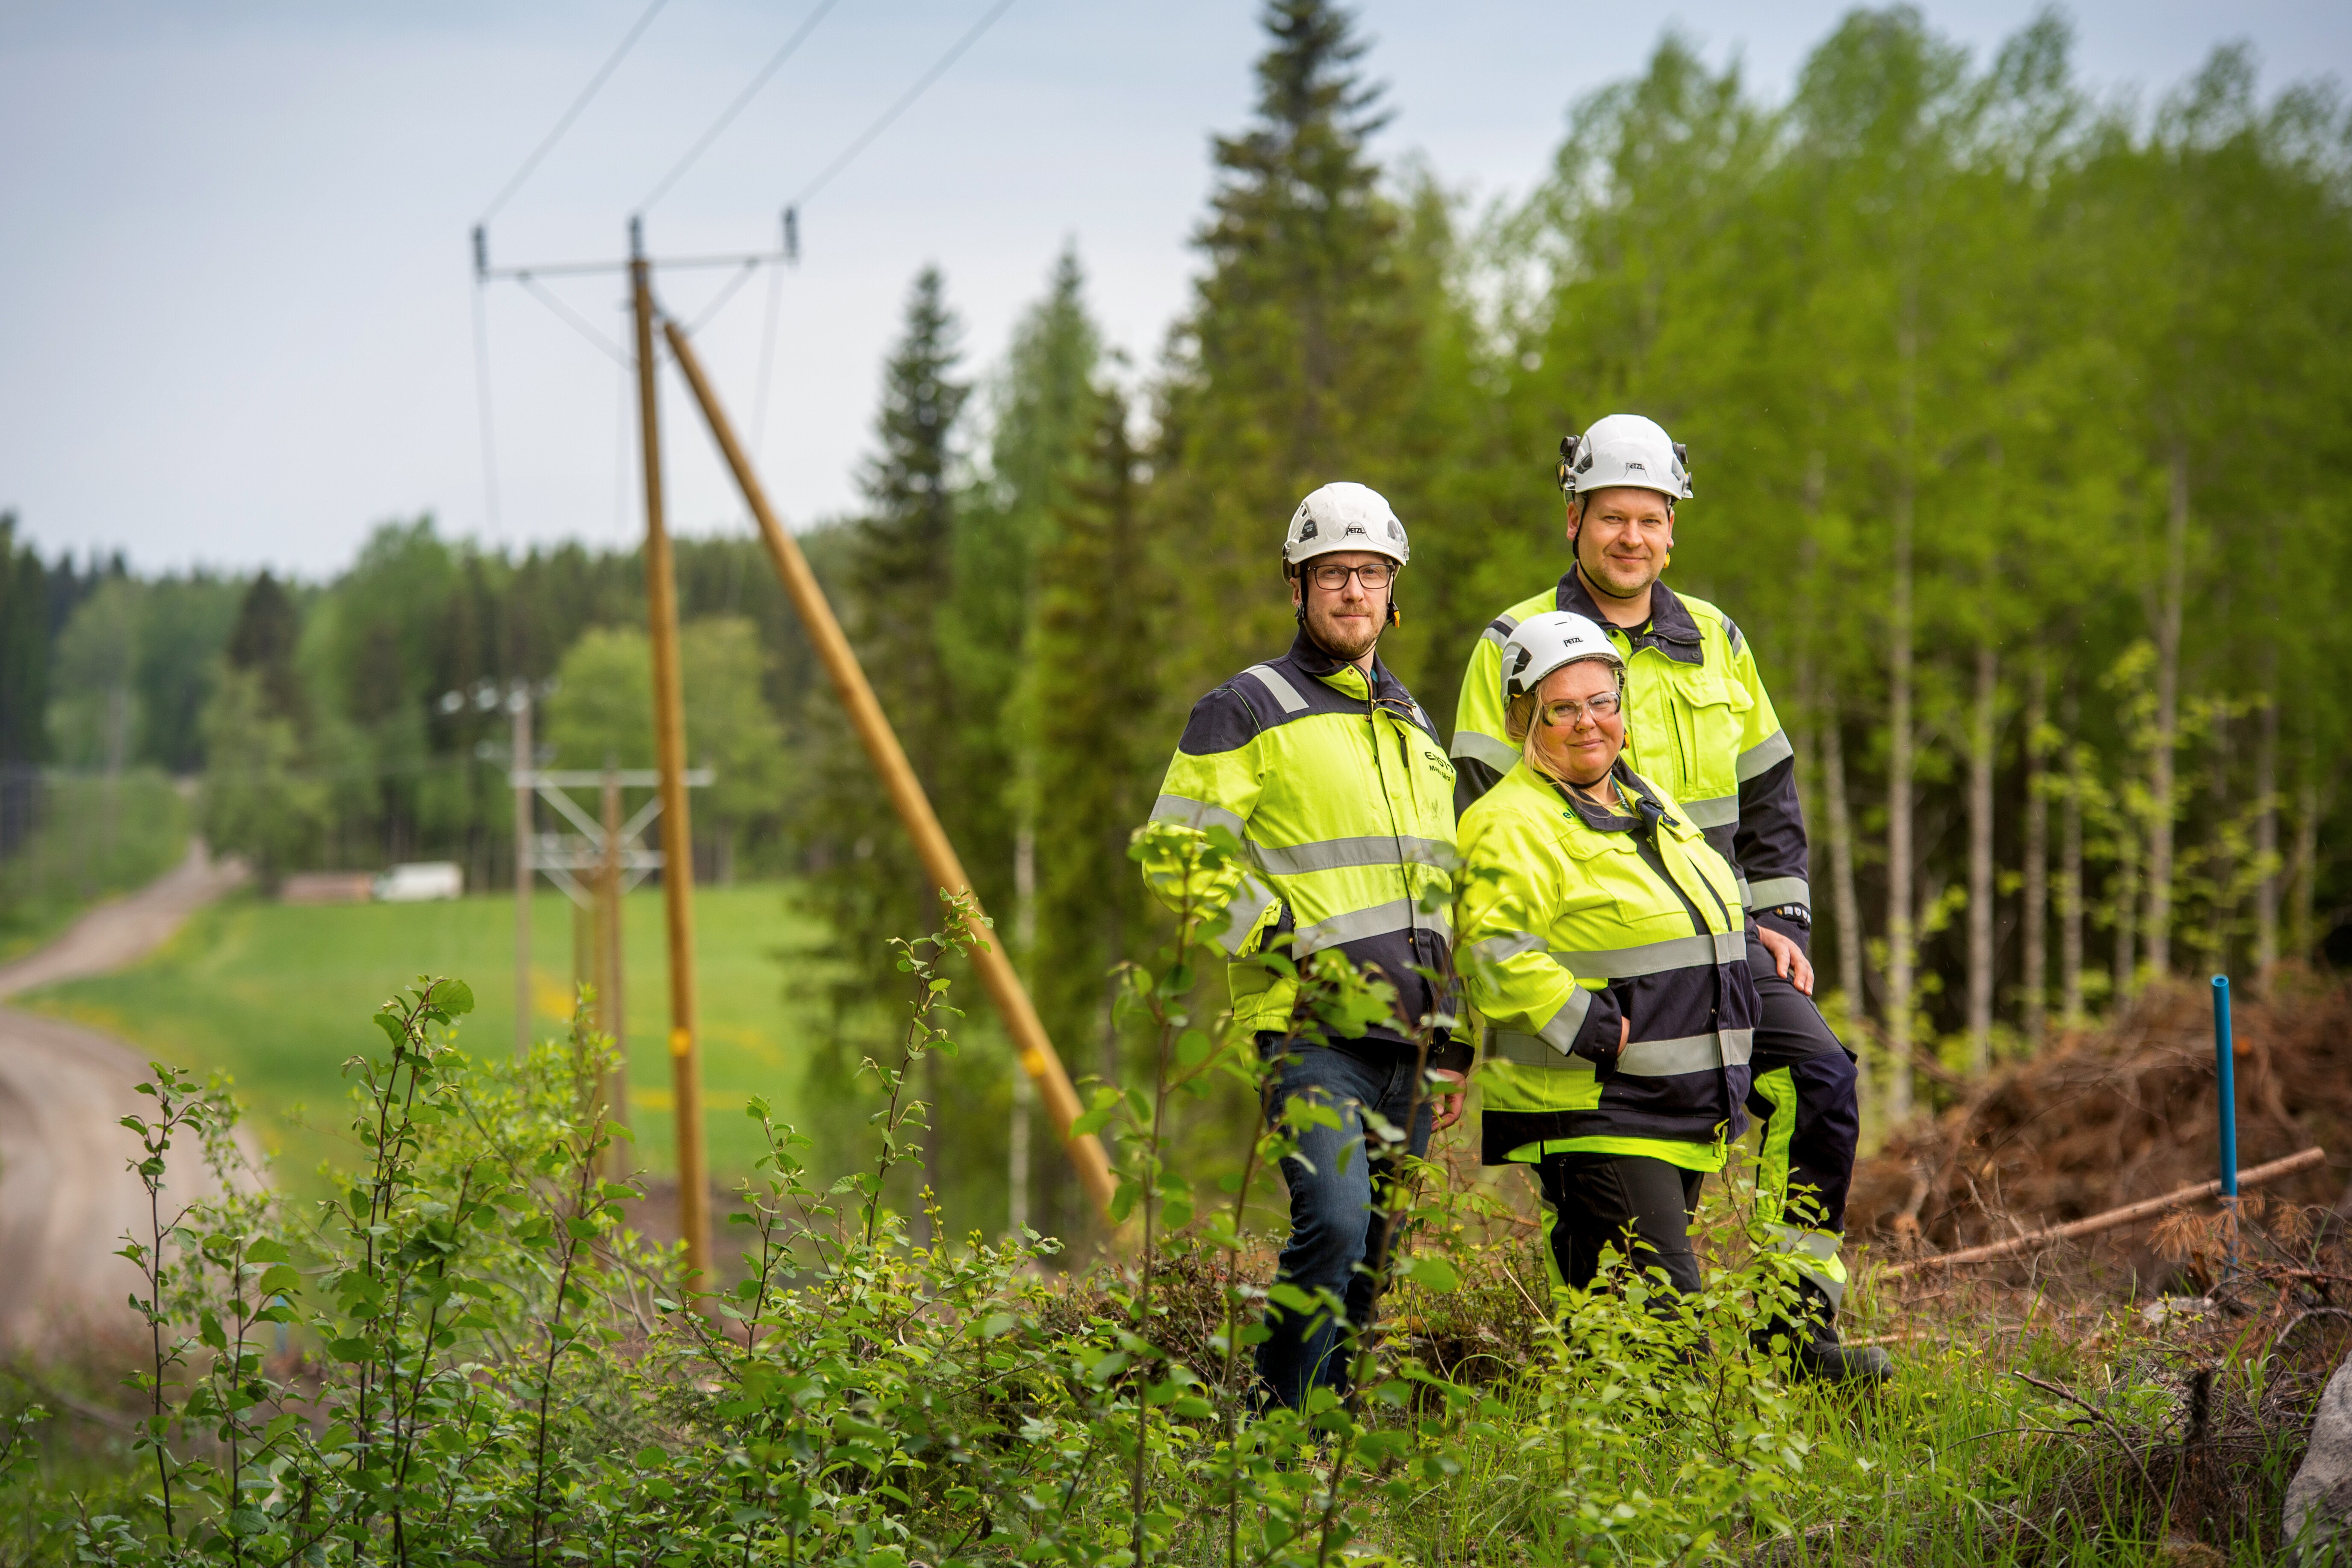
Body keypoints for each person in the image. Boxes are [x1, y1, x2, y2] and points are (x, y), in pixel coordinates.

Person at [1450, 415, 1889, 1382]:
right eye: (1612, 517)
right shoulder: (1515, 643)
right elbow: (1477, 820)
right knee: (1623, 1200)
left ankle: (1795, 1329)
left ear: (1673, 529)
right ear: (1573, 518)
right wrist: (1506, 1004)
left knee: (1821, 1077)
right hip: (1597, 969)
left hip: (1720, 946)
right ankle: (1614, 1369)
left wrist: (1778, 919)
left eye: (1650, 519)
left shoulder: (1716, 639)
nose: (1631, 538)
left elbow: (1767, 790)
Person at [1140, 481, 1465, 1409]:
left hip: (1411, 1043)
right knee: (1335, 1221)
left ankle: (1330, 1435)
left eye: (1370, 572)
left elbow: (1435, 890)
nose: (1353, 589)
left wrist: (1451, 1036)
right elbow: (1174, 855)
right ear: (1297, 585)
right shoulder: (1245, 706)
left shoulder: (1411, 722)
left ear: (1393, 588)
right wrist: (1284, 938)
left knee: (1374, 1256)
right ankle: (1275, 1426)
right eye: (1332, 572)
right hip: (1309, 1029)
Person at [1458, 611, 1755, 1311]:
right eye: (1562, 709)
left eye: (1601, 702)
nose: (1588, 723)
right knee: (1667, 1324)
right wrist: (1596, 1030)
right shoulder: (1510, 821)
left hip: (1677, 1103)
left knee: (1614, 1325)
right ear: (1524, 719)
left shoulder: (1647, 800)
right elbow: (1494, 951)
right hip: (1597, 1107)